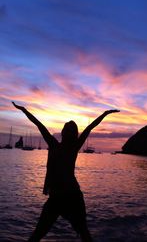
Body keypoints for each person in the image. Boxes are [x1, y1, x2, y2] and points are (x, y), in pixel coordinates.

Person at [12, 101, 119, 242]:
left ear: (72, 134)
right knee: (39, 233)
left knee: (83, 232)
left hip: (72, 197)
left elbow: (90, 127)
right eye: (67, 129)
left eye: (70, 130)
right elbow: (39, 124)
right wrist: (23, 110)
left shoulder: (71, 147)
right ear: (63, 132)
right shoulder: (55, 144)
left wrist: (105, 114)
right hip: (57, 197)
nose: (68, 132)